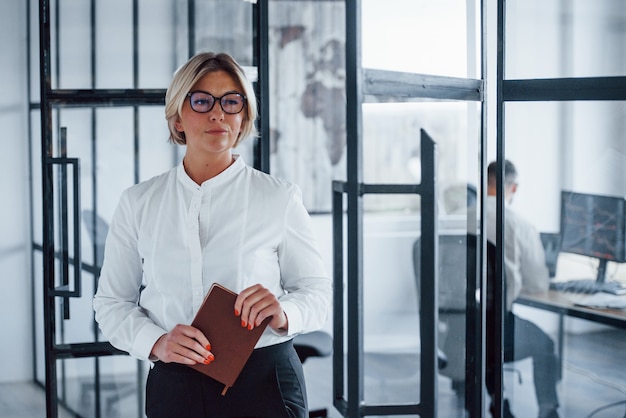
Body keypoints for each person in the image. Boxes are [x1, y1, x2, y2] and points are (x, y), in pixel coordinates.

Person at [93, 52, 332, 418]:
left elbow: (317, 293)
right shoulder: (138, 202)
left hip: (265, 384)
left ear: (243, 118)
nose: (218, 113)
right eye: (202, 101)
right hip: (173, 387)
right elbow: (111, 304)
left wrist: (284, 312)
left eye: (231, 102)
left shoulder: (279, 197)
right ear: (177, 117)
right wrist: (156, 341)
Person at [482, 160, 560, 418]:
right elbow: (538, 284)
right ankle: (548, 410)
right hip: (498, 328)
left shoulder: (468, 216)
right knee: (546, 345)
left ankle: (484, 396)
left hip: (464, 326)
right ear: (513, 188)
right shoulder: (518, 225)